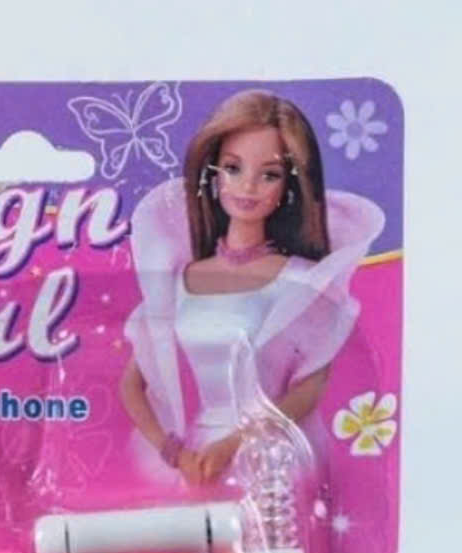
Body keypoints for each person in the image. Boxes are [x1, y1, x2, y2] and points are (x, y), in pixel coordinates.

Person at [120, 89, 384, 488]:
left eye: (269, 174)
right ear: (213, 173)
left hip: (268, 451)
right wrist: (172, 450)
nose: (248, 186)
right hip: (199, 453)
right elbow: (132, 384)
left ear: (288, 186)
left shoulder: (302, 282)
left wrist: (237, 442)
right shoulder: (179, 281)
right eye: (233, 168)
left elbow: (310, 388)